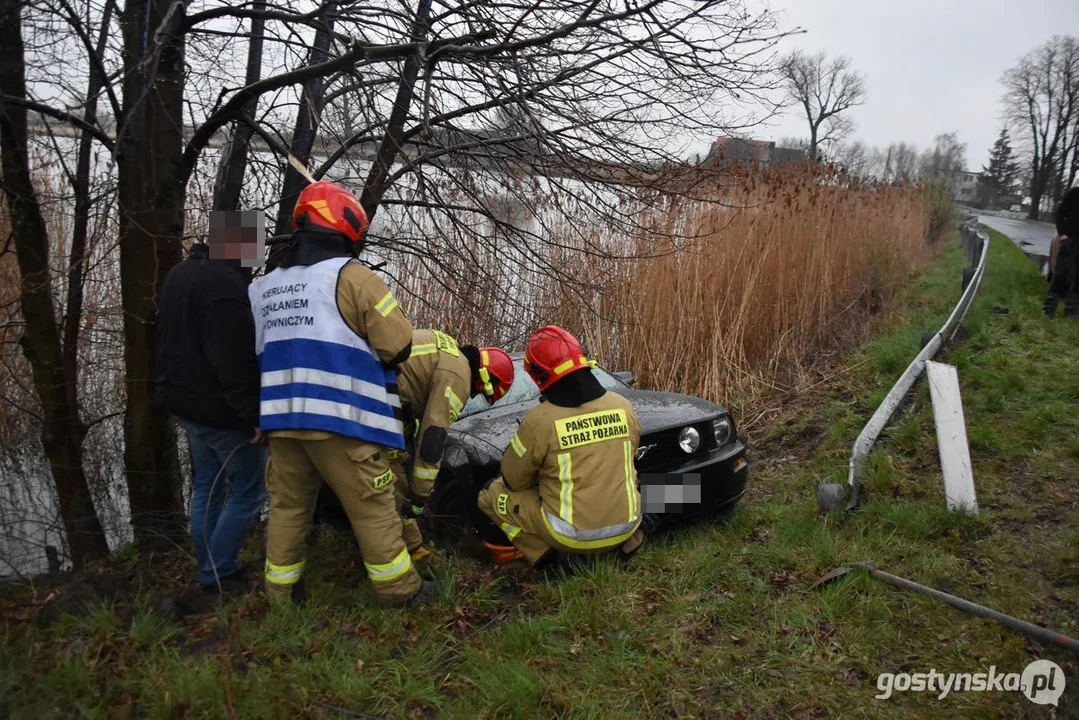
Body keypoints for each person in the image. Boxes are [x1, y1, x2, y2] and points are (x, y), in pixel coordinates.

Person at [248, 181, 435, 607]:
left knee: (289, 507)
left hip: (282, 419)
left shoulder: (263, 287)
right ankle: (400, 591)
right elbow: (398, 344)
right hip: (340, 419)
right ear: (348, 228)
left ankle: (282, 594)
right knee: (372, 503)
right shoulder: (353, 277)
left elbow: (255, 353)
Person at [477, 325, 645, 572]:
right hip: (628, 524)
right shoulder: (623, 406)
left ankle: (550, 560)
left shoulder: (540, 420)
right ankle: (625, 543)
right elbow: (627, 460)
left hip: (571, 535)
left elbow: (513, 480)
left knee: (490, 495)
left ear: (538, 375)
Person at [153, 230, 266, 595]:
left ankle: (209, 566)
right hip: (221, 412)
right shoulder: (224, 287)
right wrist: (252, 416)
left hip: (185, 404)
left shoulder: (179, 273)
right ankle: (219, 572)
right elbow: (233, 362)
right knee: (248, 489)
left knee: (207, 487)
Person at [390, 330, 515, 554]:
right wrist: (420, 494)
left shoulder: (448, 351)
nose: (473, 395)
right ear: (486, 378)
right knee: (394, 483)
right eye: (481, 393)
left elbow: (412, 396)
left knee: (399, 470)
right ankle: (400, 552)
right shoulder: (459, 377)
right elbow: (434, 437)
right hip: (377, 395)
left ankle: (410, 544)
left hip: (379, 390)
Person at [1044, 187, 1079, 319]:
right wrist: (1062, 235)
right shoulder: (1074, 193)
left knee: (1078, 278)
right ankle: (1049, 309)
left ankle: (1072, 312)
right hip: (1069, 240)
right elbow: (1060, 213)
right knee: (1061, 275)